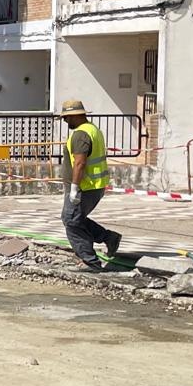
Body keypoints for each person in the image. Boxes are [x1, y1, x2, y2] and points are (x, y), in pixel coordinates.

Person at [59, 99, 121, 270]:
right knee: (75, 220)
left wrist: (74, 188)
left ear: (76, 116)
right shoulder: (93, 129)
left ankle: (90, 261)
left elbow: (80, 163)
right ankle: (109, 238)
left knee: (71, 220)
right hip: (93, 185)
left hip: (85, 186)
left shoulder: (81, 134)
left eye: (67, 117)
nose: (65, 121)